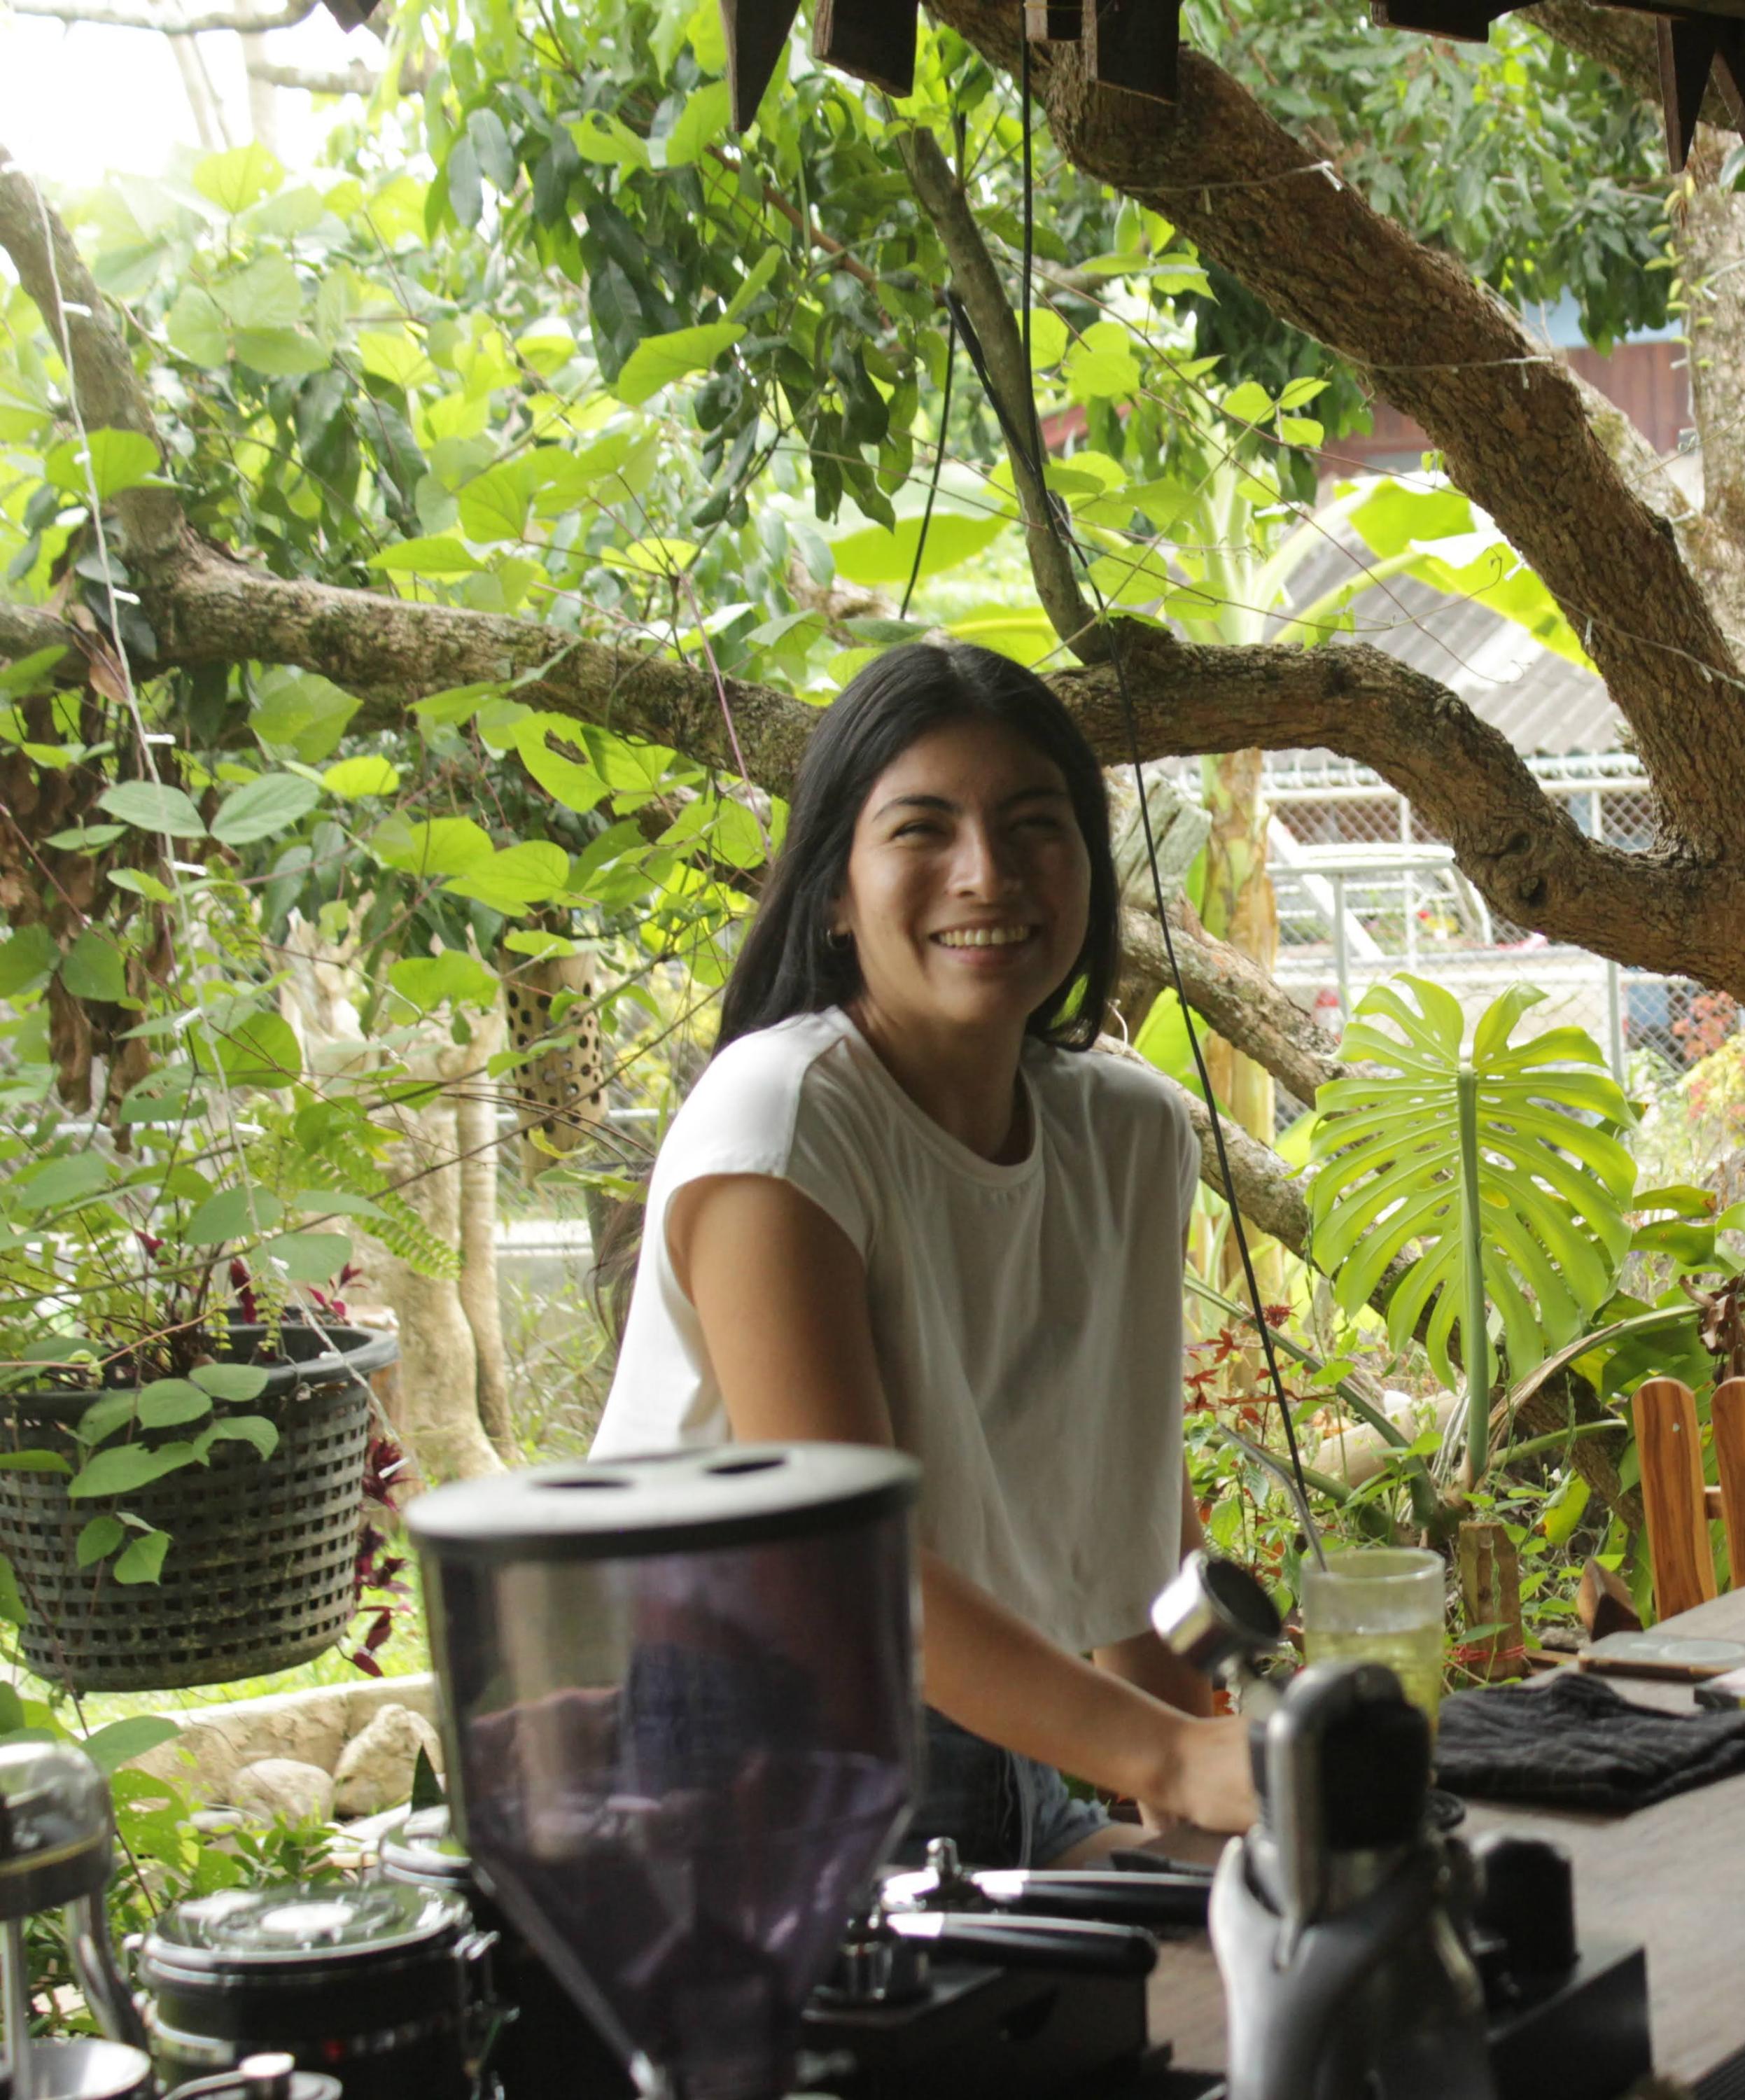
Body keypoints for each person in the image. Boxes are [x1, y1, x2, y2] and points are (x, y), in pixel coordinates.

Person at [591, 640, 1256, 1861]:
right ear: (834, 893)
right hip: (747, 1779)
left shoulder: (1128, 1131)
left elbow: (1137, 1515)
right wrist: (1166, 1758)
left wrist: (1202, 1788)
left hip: (1006, 1731)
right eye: (920, 829)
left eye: (1035, 824)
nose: (985, 872)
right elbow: (842, 1563)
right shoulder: (784, 1119)